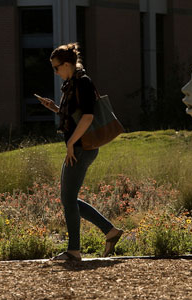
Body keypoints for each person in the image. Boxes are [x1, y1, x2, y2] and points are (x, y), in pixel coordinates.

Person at [35, 43, 123, 261]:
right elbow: (76, 115)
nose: (55, 72)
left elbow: (88, 117)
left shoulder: (82, 82)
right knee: (69, 199)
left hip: (81, 148)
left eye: (56, 68)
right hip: (78, 147)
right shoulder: (72, 83)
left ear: (66, 64)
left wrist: (70, 143)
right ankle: (109, 231)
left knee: (68, 199)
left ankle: (74, 250)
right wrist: (56, 108)